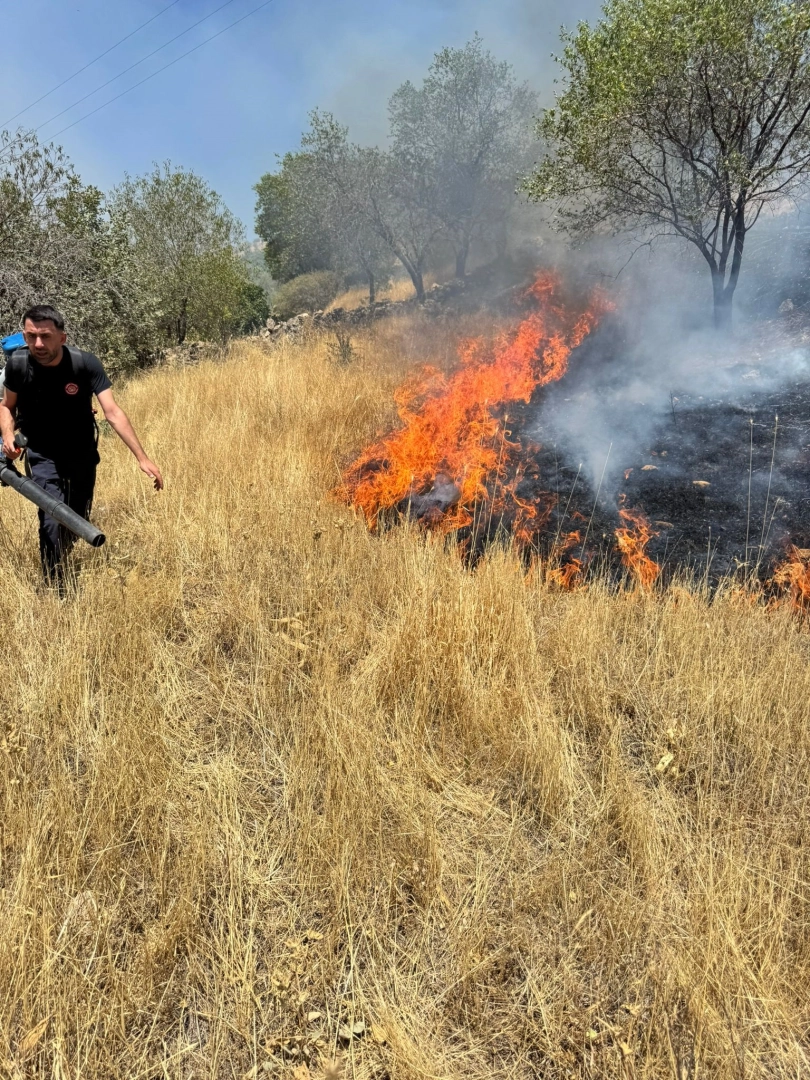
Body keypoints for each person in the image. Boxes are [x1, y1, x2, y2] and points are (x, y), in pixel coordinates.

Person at [0, 304, 163, 586]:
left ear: (62, 337)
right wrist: (7, 435)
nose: (38, 344)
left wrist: (142, 458)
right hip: (42, 453)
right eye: (31, 336)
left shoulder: (84, 364)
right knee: (51, 515)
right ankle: (55, 584)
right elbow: (6, 406)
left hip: (81, 451)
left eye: (45, 336)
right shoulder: (17, 365)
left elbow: (112, 412)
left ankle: (61, 555)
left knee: (78, 517)